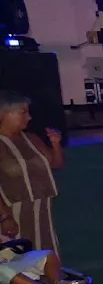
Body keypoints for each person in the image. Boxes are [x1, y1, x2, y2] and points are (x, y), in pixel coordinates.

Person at [0, 91, 63, 252]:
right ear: (4, 114)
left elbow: (56, 165)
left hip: (43, 212)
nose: (29, 117)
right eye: (23, 112)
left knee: (47, 261)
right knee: (20, 265)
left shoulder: (31, 138)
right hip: (13, 215)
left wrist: (55, 144)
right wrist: (5, 217)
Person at [0, 242, 85, 284]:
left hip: (8, 258)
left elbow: (12, 230)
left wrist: (4, 218)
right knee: (2, 270)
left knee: (48, 254)